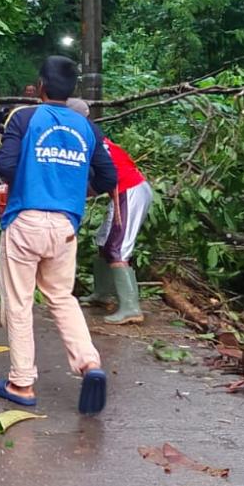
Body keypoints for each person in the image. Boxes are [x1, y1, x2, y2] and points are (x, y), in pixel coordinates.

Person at [0, 56, 117, 414]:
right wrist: (76, 189)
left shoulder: (25, 118)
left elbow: (5, 165)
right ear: (71, 89)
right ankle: (89, 363)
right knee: (62, 298)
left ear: (41, 85)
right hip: (64, 227)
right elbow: (108, 178)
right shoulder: (87, 127)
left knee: (19, 303)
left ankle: (22, 383)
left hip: (26, 221)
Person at [68, 98, 152, 325]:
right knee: (104, 241)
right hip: (121, 191)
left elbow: (103, 179)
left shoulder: (84, 137)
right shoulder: (92, 135)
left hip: (130, 191)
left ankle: (131, 307)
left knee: (118, 248)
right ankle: (103, 294)